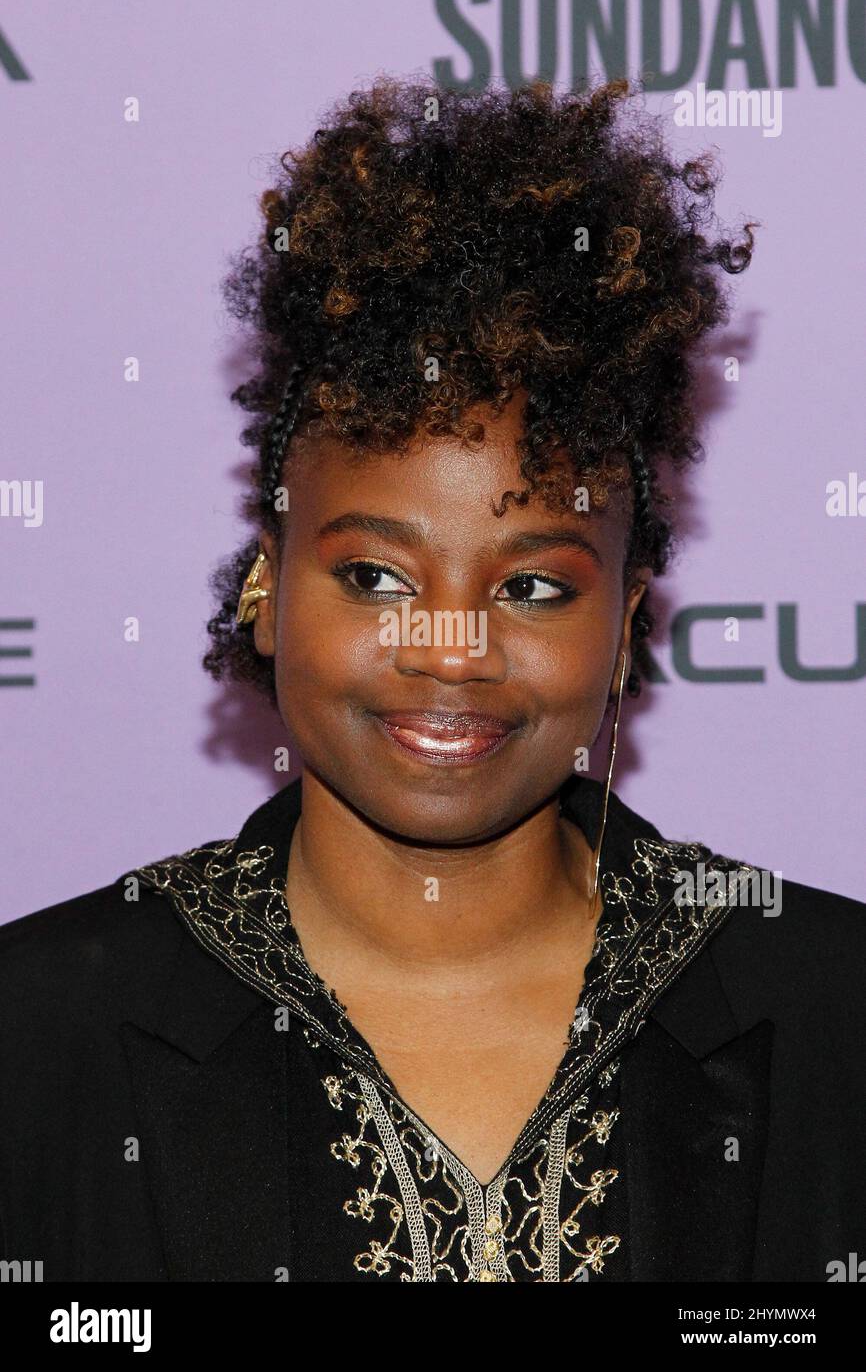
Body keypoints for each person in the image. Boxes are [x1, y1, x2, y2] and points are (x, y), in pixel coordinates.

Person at [1, 75, 864, 1284]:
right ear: (265, 588)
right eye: (373, 576)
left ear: (622, 626)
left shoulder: (833, 1012)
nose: (450, 644)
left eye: (531, 587)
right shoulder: (38, 1036)